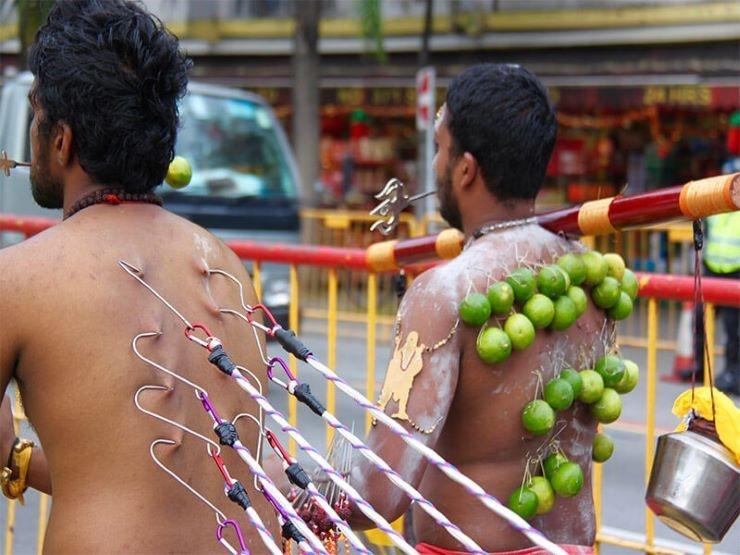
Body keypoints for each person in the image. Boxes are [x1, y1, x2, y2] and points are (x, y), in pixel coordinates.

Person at [0, 1, 278, 552]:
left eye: (36, 113)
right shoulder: (225, 266)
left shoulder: (19, 278)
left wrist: (13, 455)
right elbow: (153, 479)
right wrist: (21, 459)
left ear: (62, 140)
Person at [345, 64, 606, 553]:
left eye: (440, 148)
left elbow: (379, 489)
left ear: (465, 168)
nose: (435, 165)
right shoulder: (590, 277)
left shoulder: (444, 293)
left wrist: (281, 480)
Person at [689, 212, 740, 395]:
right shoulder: (717, 202)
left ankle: (733, 374)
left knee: (732, 329)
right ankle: (699, 367)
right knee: (699, 321)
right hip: (712, 270)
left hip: (735, 274)